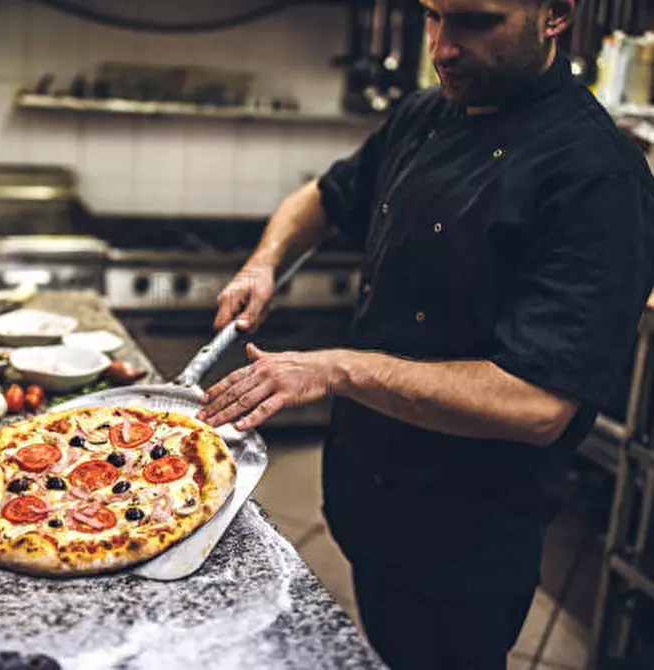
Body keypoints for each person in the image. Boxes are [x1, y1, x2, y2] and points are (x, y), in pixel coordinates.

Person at [197, 0, 654, 668]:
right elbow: (324, 196)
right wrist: (261, 263)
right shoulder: (423, 113)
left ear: (555, 16)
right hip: (366, 495)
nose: (440, 46)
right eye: (432, 16)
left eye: (474, 21)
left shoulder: (596, 176)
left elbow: (537, 406)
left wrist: (333, 370)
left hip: (462, 540)